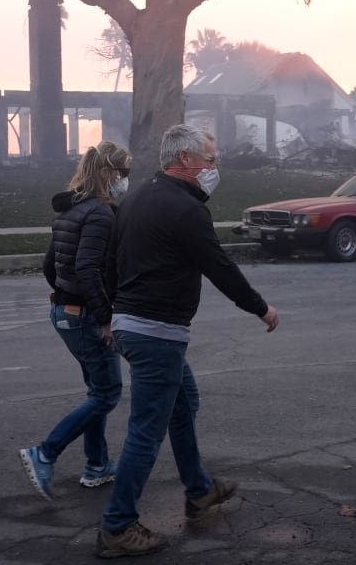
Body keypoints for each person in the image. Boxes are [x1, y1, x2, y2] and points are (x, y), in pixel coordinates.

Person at [95, 124, 279, 558]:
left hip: (134, 326)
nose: (214, 168)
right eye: (210, 161)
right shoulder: (185, 209)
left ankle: (199, 490)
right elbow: (218, 266)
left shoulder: (137, 197)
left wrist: (108, 317)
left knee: (183, 405)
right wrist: (260, 307)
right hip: (156, 332)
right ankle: (118, 526)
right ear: (186, 161)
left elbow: (109, 260)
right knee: (146, 432)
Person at [19, 141, 133, 501]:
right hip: (85, 316)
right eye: (123, 173)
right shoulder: (100, 213)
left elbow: (50, 265)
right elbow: (87, 267)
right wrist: (105, 317)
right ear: (106, 173)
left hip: (65, 311)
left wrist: (63, 295)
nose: (126, 180)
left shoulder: (72, 209)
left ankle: (97, 466)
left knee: (96, 392)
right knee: (108, 393)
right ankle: (45, 452)